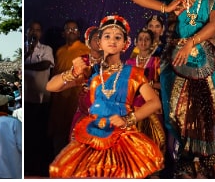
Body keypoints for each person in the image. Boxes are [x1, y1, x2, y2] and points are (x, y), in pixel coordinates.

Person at [130, 0, 215, 178]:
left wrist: (191, 43)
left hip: (203, 59)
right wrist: (165, 7)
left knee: (207, 111)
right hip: (173, 57)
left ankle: (201, 164)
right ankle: (182, 163)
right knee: (175, 112)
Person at [46, 15, 163, 178]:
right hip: (94, 135)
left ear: (125, 44)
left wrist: (129, 119)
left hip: (122, 136)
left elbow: (154, 102)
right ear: (99, 42)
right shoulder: (91, 71)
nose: (112, 40)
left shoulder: (134, 74)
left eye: (118, 37)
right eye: (107, 36)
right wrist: (71, 74)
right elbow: (51, 86)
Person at [48, 20, 91, 155]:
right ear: (63, 33)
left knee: (75, 128)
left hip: (76, 96)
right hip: (60, 97)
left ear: (79, 33)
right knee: (59, 129)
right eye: (68, 29)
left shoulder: (85, 50)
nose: (72, 31)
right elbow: (55, 74)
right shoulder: (59, 52)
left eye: (75, 29)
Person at [123, 28, 165, 164]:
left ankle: (154, 170)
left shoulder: (156, 62)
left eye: (147, 39)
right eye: (140, 39)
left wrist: (149, 84)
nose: (143, 42)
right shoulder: (128, 63)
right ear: (135, 42)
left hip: (151, 106)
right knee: (134, 142)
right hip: (133, 106)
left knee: (154, 140)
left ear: (152, 43)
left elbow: (164, 84)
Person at [24, 21, 54, 105]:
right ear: (26, 32)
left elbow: (45, 65)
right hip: (25, 96)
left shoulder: (46, 49)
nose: (34, 32)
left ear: (41, 33)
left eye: (37, 30)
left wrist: (24, 66)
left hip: (41, 97)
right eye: (32, 29)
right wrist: (27, 54)